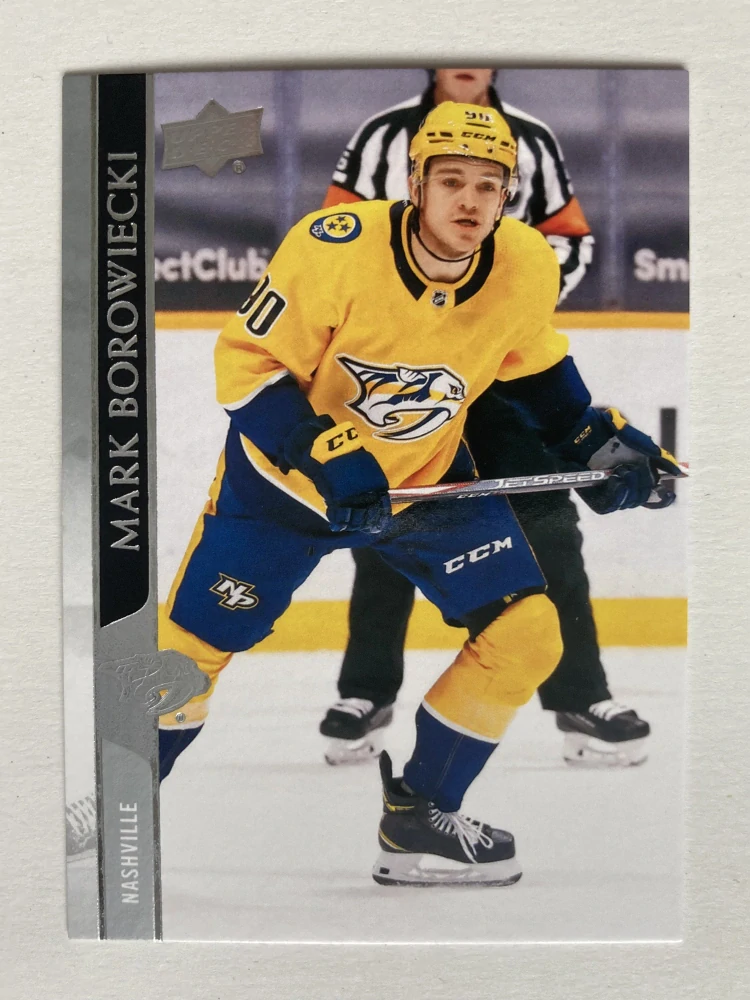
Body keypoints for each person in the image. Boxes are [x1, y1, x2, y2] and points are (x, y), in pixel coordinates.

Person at [157, 103, 681, 886]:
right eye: (451, 181)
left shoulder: (524, 261)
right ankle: (113, 787)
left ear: (507, 195)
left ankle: (420, 817)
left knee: (529, 633)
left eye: (488, 185)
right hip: (281, 493)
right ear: (415, 184)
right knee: (185, 653)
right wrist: (329, 454)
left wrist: (596, 439)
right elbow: (248, 369)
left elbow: (533, 367)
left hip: (425, 488)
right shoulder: (334, 248)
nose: (469, 201)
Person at [318, 68, 648, 767]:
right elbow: (335, 246)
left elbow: (570, 238)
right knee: (385, 519)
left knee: (549, 525)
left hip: (501, 368)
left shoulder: (532, 138)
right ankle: (366, 693)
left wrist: (499, 310)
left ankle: (580, 698)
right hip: (399, 371)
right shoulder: (381, 135)